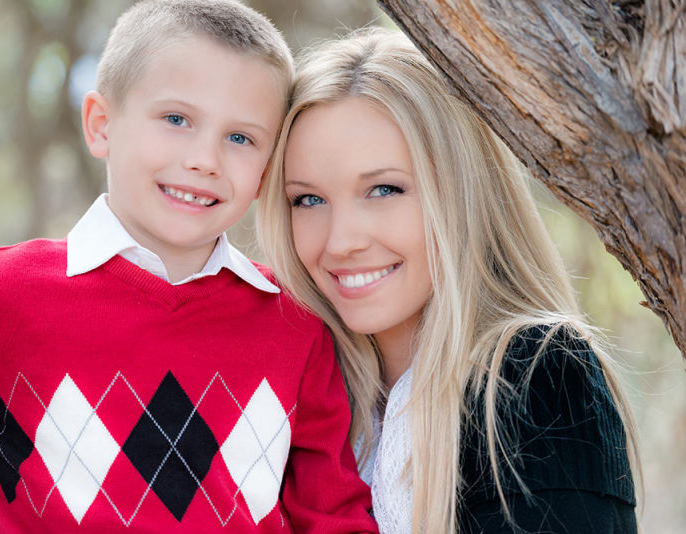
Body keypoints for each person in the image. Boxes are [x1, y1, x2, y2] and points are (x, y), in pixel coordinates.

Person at [0, 2, 378, 532]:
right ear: (101, 125)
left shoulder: (296, 322)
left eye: (241, 138)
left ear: (266, 171)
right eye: (176, 119)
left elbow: (332, 515)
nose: (204, 159)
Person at [256, 27, 641, 533]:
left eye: (383, 189)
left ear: (461, 192)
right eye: (308, 199)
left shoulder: (538, 372)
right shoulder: (298, 397)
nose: (340, 241)